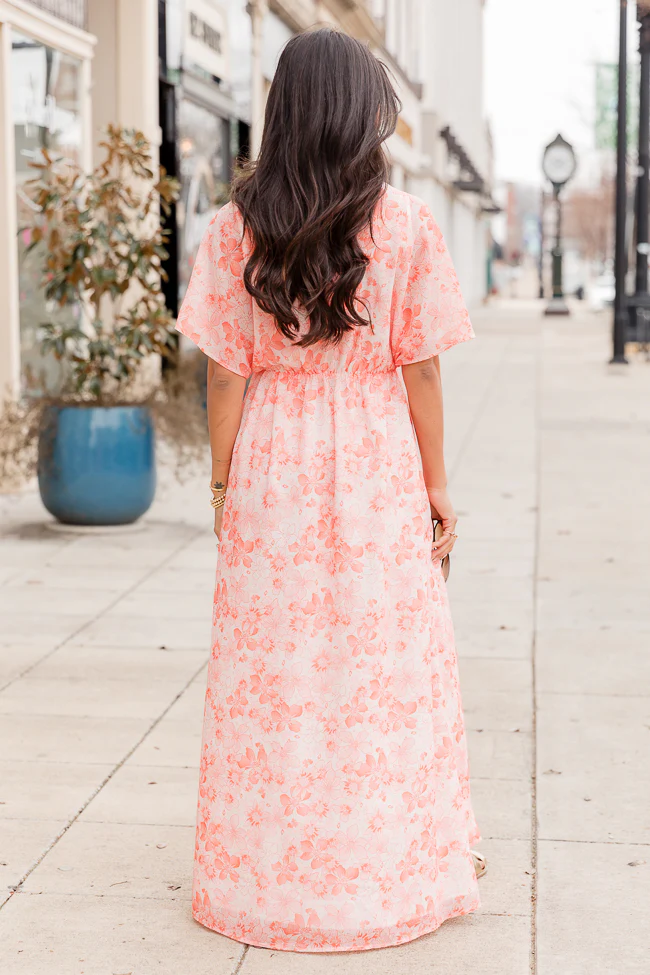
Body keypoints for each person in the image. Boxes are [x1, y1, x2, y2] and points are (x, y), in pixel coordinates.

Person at [175, 26, 482, 954]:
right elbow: (420, 368)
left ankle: (262, 878)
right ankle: (387, 871)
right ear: (362, 116)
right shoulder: (408, 224)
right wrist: (435, 481)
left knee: (275, 671)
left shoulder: (236, 228)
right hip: (378, 458)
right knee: (380, 669)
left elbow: (224, 375)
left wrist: (227, 481)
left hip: (275, 458)